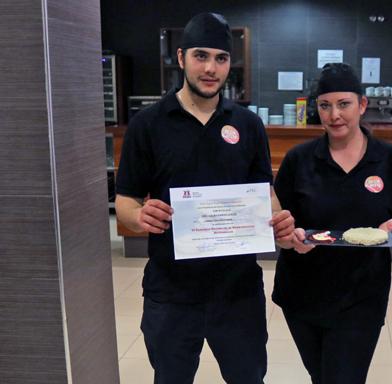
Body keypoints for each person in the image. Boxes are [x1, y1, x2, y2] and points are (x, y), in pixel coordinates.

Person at [114, 12, 294, 384]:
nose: (211, 68)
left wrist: (278, 218)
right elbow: (126, 203)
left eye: (221, 58)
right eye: (201, 56)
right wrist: (140, 216)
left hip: (238, 288)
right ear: (180, 58)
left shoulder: (247, 124)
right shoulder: (148, 125)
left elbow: (264, 192)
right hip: (171, 289)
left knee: (248, 378)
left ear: (230, 63)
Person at [272, 62, 392, 384]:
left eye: (344, 104)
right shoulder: (299, 160)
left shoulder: (390, 159)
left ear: (362, 105)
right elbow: (279, 224)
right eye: (325, 105)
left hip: (362, 295)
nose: (334, 115)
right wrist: (288, 238)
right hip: (302, 292)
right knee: (320, 376)